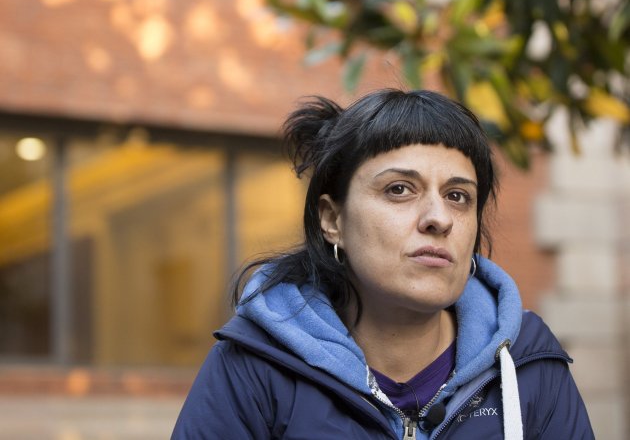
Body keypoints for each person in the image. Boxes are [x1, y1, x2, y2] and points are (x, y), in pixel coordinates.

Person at [172, 89, 594, 439]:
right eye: (399, 189)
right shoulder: (255, 366)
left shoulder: (528, 364)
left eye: (458, 196)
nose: (439, 218)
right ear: (332, 220)